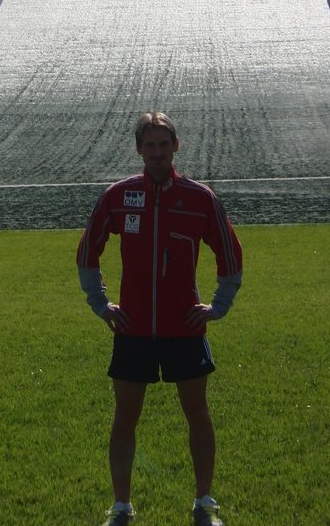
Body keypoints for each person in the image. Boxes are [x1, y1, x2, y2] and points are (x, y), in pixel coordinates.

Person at [77, 111, 243, 526]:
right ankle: (120, 507)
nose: (156, 153)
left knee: (198, 414)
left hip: (185, 328)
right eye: (149, 145)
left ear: (175, 147)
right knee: (125, 418)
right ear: (139, 149)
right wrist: (101, 304)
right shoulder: (118, 196)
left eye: (163, 145)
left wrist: (218, 306)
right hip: (132, 329)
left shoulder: (199, 198)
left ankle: (204, 503)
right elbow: (87, 252)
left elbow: (229, 254)